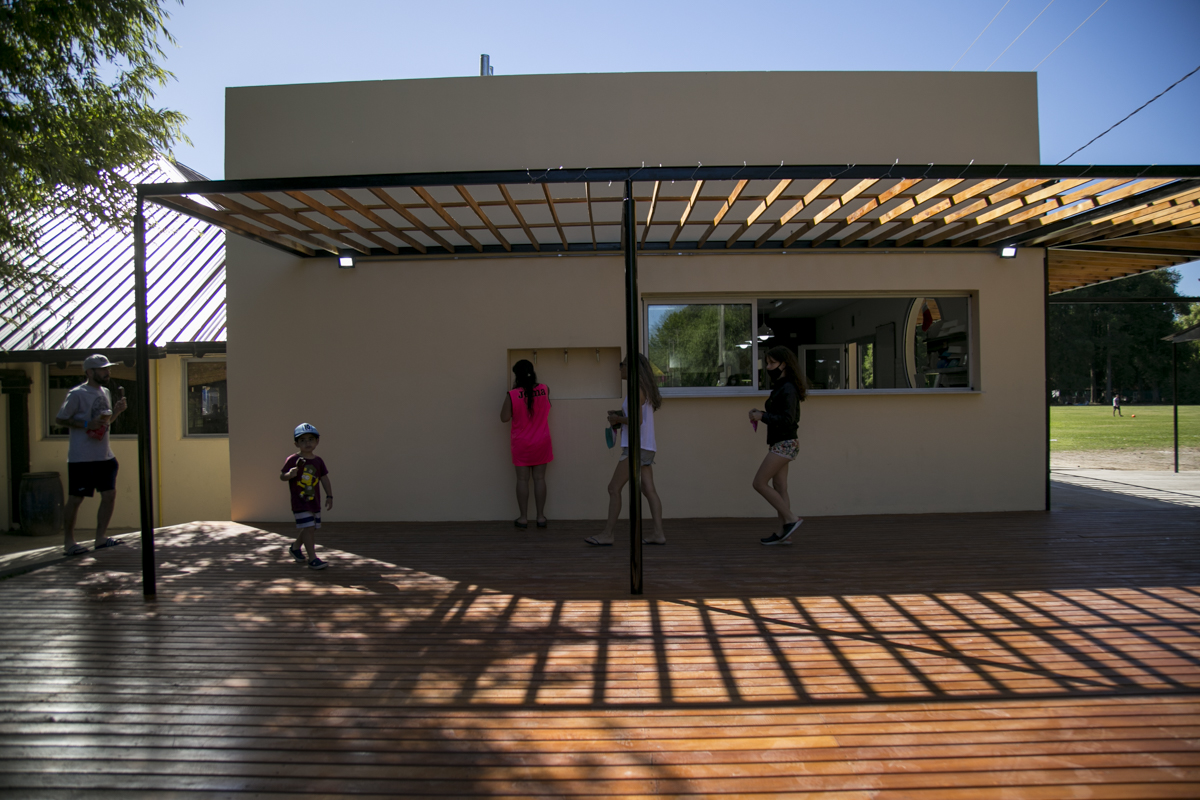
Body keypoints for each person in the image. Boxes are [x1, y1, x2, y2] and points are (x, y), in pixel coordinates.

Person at [585, 354, 665, 546]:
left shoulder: (636, 389)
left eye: (622, 364)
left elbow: (637, 421)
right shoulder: (643, 388)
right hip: (646, 447)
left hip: (636, 447)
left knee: (613, 488)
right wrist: (620, 415)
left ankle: (608, 534)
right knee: (649, 490)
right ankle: (658, 534)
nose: (620, 367)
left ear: (631, 368)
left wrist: (617, 419)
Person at [55, 354, 128, 555]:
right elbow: (60, 419)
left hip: (104, 455)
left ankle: (100, 539)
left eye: (108, 369)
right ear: (89, 372)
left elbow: (104, 423)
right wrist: (86, 424)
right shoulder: (77, 393)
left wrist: (117, 412)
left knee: (109, 495)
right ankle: (69, 543)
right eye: (103, 369)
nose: (107, 372)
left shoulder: (106, 392)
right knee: (76, 498)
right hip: (82, 457)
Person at [749, 346, 808, 546]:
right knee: (780, 487)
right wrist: (761, 414)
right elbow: (780, 414)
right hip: (782, 443)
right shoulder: (783, 386)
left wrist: (762, 416)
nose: (768, 367)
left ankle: (791, 519)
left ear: (784, 364)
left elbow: (787, 419)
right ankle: (784, 533)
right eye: (767, 363)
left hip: (785, 444)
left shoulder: (788, 388)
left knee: (759, 483)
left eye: (772, 363)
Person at [500, 359, 552, 529]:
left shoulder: (512, 394)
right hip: (542, 441)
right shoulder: (545, 389)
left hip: (521, 443)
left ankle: (523, 518)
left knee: (522, 480)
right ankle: (541, 517)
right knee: (540, 479)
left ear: (517, 375)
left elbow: (504, 418)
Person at [280, 423, 334, 570]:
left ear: (317, 441)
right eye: (302, 440)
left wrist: (329, 496)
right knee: (309, 527)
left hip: (314, 502)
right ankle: (312, 559)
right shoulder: (293, 459)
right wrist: (289, 474)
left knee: (310, 528)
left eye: (311, 439)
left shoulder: (318, 461)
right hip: (300, 502)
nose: (307, 443)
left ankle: (295, 547)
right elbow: (282, 476)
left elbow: (324, 478)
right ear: (296, 443)